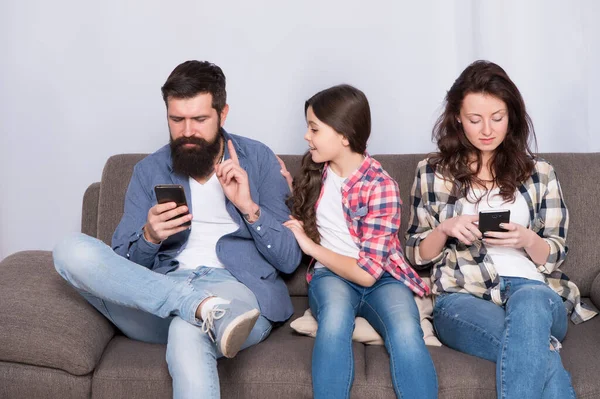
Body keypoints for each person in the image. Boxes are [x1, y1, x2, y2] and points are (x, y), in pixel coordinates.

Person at [52, 60, 302, 399]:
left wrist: (249, 209)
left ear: (222, 113)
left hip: (236, 294)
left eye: (199, 119)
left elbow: (289, 260)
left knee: (189, 332)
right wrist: (149, 237)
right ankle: (199, 305)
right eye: (176, 119)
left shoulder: (258, 161)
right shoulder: (148, 170)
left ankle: (205, 310)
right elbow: (124, 270)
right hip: (160, 291)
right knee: (70, 250)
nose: (187, 131)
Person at [405, 60, 597, 399]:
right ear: (457, 118)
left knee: (533, 301)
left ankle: (533, 335)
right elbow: (416, 255)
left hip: (533, 290)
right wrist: (446, 229)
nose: (487, 130)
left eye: (497, 118)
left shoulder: (540, 173)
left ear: (512, 117)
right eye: (475, 119)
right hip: (463, 296)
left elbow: (556, 252)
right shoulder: (431, 172)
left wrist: (527, 238)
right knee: (536, 351)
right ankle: (537, 343)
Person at [282, 84, 438, 399]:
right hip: (331, 278)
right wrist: (285, 186)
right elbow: (298, 211)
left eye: (314, 128)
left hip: (381, 278)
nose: (306, 136)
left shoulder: (381, 186)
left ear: (343, 135)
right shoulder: (315, 171)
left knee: (407, 331)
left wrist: (311, 248)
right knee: (335, 322)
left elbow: (368, 272)